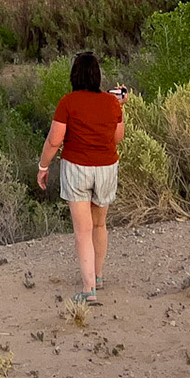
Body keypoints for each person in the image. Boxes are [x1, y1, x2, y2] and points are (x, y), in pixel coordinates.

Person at [37, 52, 125, 303]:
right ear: (97, 76)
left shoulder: (68, 102)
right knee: (99, 225)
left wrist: (44, 166)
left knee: (82, 230)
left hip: (77, 168)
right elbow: (117, 138)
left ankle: (89, 291)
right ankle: (97, 276)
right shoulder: (111, 103)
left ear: (74, 75)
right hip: (107, 167)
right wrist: (120, 106)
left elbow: (55, 140)